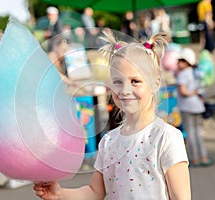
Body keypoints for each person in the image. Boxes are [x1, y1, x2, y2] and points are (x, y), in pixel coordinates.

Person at [33, 31, 191, 199]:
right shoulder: (108, 142)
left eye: (135, 81)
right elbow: (95, 192)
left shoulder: (166, 137)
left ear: (155, 83)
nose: (125, 90)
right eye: (117, 81)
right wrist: (59, 193)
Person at [176, 47, 213, 167]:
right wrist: (197, 93)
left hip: (187, 106)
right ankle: (204, 157)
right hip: (198, 105)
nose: (178, 63)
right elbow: (202, 87)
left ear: (186, 62)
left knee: (190, 132)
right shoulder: (197, 72)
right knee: (197, 132)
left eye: (181, 60)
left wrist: (192, 92)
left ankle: (194, 159)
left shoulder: (182, 74)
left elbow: (183, 92)